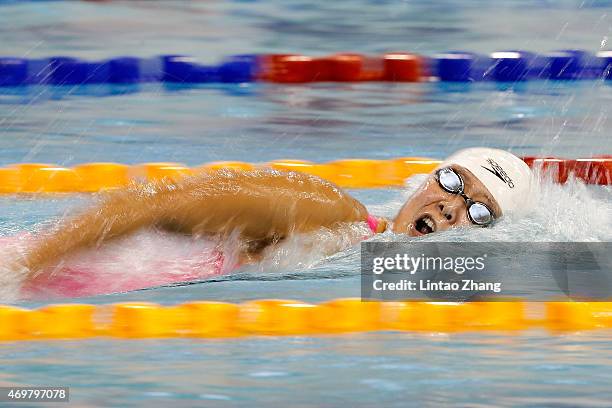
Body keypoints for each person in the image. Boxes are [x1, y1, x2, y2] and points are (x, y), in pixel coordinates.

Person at [16, 147, 534, 283]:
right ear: (425, 178)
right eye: (452, 182)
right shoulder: (330, 210)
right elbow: (158, 202)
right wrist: (27, 267)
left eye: (480, 213)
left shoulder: (359, 252)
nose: (451, 206)